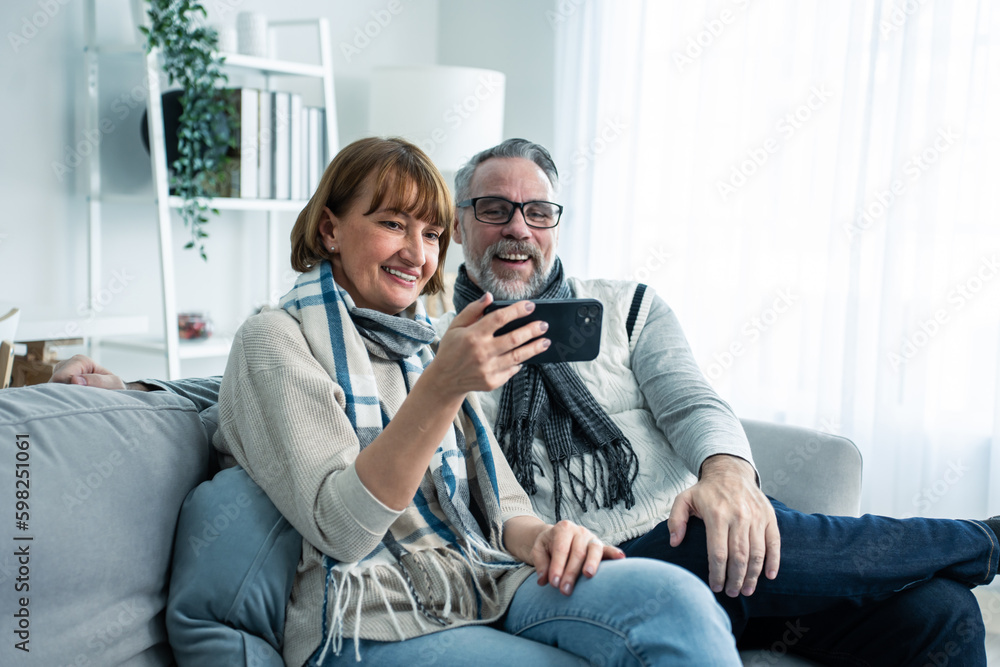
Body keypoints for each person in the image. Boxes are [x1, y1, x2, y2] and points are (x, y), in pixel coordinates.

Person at [53, 138, 1000, 666]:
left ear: (557, 227)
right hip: (487, 581)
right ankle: (984, 535)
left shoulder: (617, 310)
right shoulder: (446, 339)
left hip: (625, 544)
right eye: (486, 211)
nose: (513, 226)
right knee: (685, 561)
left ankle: (971, 548)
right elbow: (272, 401)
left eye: (535, 210)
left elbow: (692, 403)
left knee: (941, 615)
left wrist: (727, 471)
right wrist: (129, 386)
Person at [80, 136, 738, 666]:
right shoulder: (273, 340)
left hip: (485, 576)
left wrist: (549, 536)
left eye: (430, 234)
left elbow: (504, 506)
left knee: (674, 601)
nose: (417, 253)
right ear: (332, 229)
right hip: (365, 617)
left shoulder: (423, 342)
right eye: (392, 223)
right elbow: (343, 527)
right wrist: (443, 387)